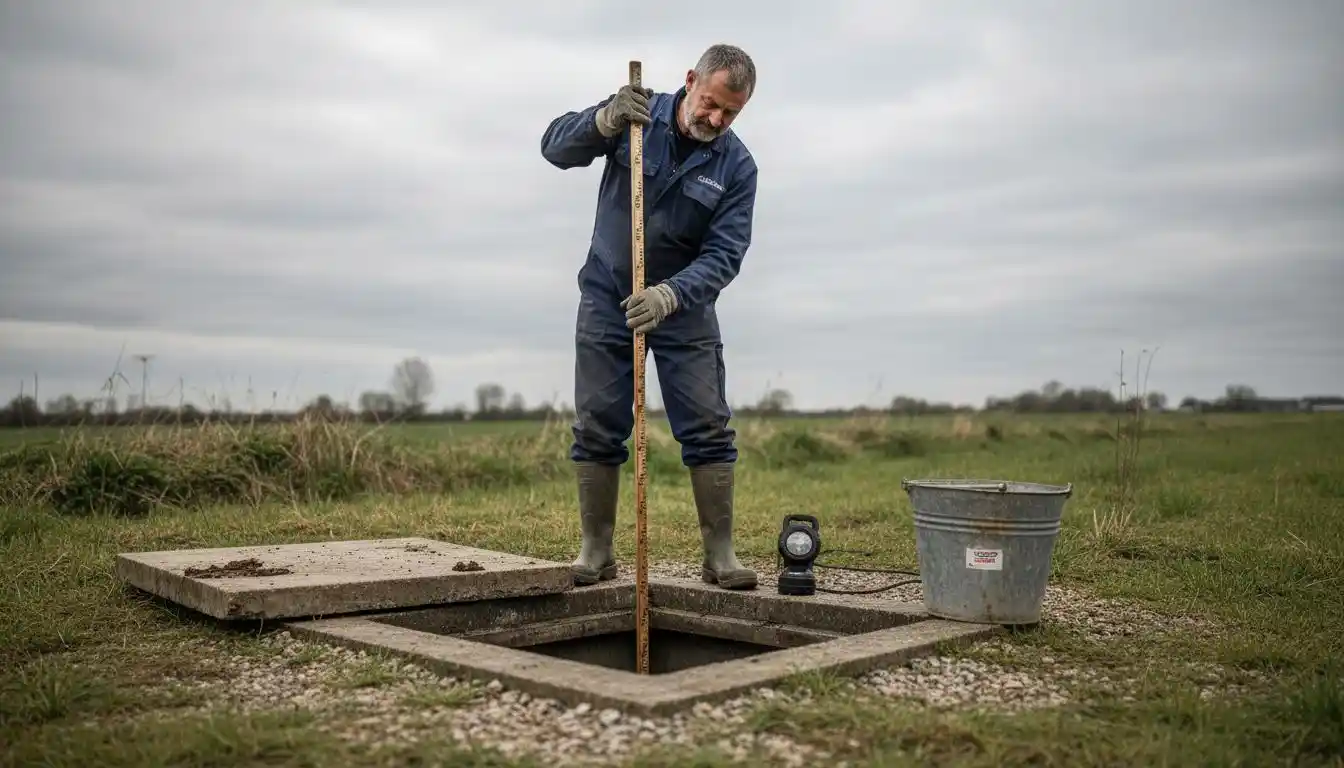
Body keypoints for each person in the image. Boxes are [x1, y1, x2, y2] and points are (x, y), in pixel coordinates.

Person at [539, 44, 759, 590]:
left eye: (730, 113)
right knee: (596, 421)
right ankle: (596, 549)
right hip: (608, 292)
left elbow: (725, 255)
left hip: (683, 308)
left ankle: (720, 555)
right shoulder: (635, 115)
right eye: (710, 103)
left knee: (708, 425)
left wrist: (670, 295)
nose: (715, 119)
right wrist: (602, 120)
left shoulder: (738, 167)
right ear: (690, 81)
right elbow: (554, 148)